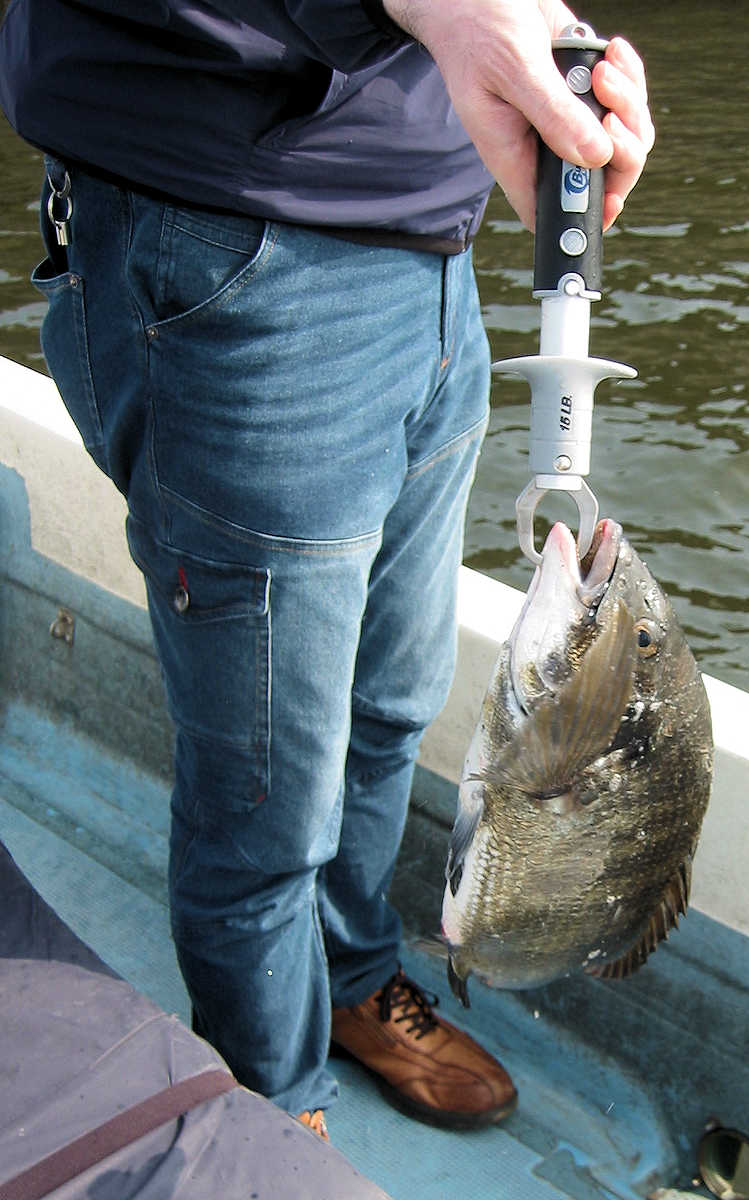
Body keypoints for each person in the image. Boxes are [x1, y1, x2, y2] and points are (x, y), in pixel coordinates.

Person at [0, 0, 654, 1137]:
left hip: (438, 256)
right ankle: (276, 1112)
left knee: (391, 707)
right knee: (267, 806)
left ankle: (352, 980)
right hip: (238, 259)